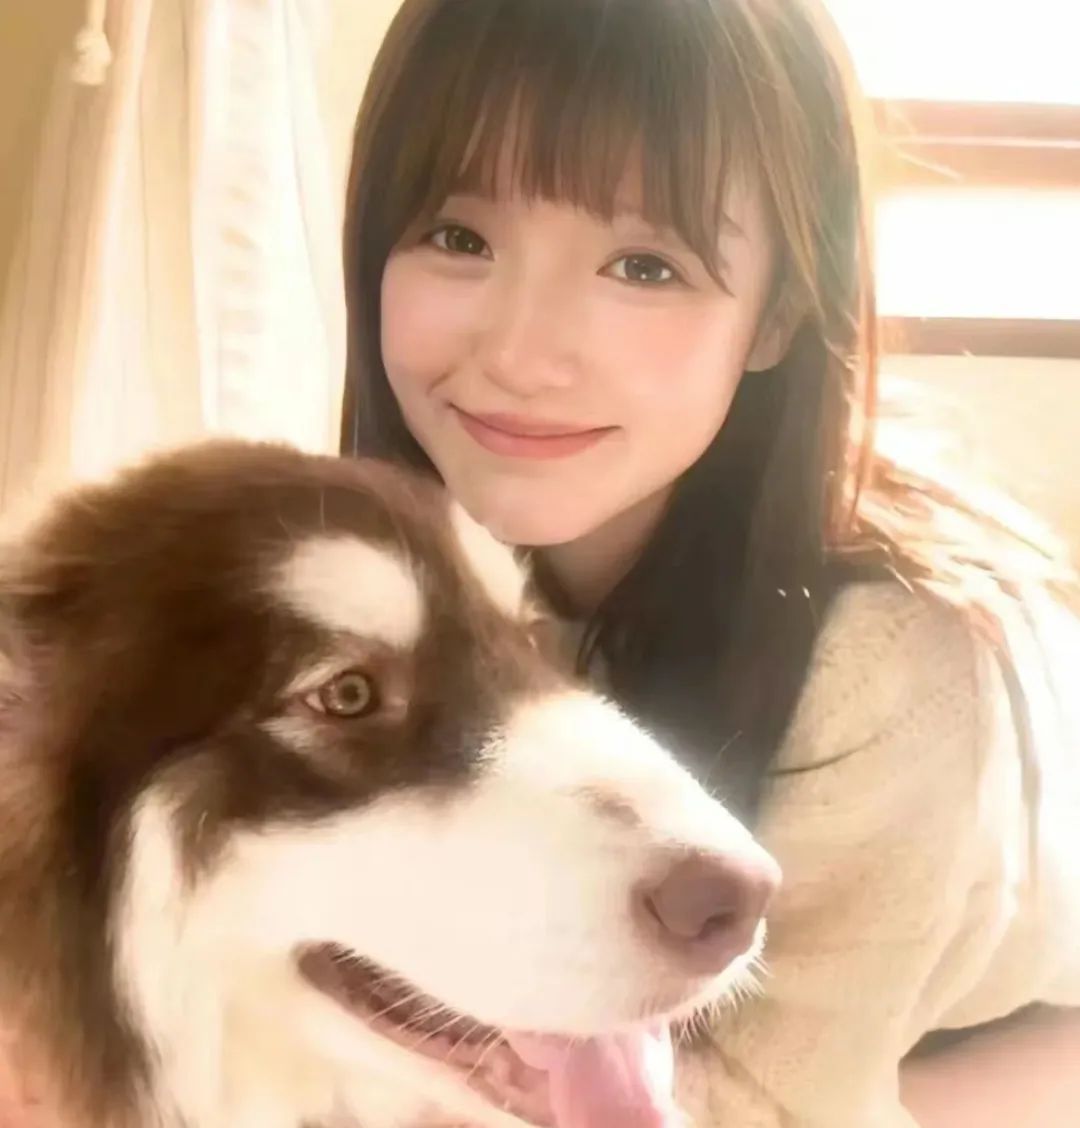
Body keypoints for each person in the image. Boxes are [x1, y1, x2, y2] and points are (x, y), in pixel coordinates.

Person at [338, 0, 1080, 1125]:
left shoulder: (895, 667)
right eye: (460, 238)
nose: (522, 354)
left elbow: (757, 1105)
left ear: (778, 316)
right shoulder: (404, 573)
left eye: (644, 266)